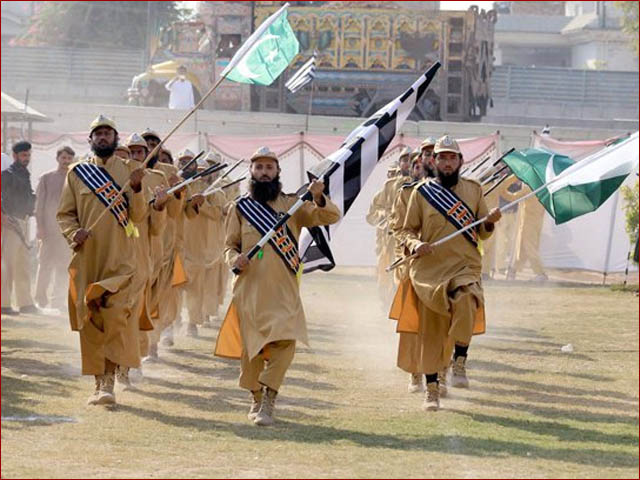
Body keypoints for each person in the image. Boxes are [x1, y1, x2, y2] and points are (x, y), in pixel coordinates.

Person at [215, 146, 340, 426]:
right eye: (258, 168)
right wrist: (235, 258)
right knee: (253, 348)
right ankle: (256, 396)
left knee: (286, 339)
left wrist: (319, 196)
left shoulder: (293, 204)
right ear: (251, 172)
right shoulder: (239, 207)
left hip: (284, 287)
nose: (263, 173)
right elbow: (228, 246)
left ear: (277, 172)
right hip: (249, 287)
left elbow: (330, 217)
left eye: (269, 168)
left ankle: (270, 395)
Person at [398, 135, 502, 411]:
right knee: (431, 332)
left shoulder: (474, 190)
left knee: (468, 300)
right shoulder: (420, 193)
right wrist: (415, 243)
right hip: (429, 270)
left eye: (451, 157)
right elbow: (406, 230)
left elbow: (482, 231)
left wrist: (490, 222)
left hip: (464, 265)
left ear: (460, 161)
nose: (446, 162)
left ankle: (460, 358)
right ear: (434, 161)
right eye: (441, 157)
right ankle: (431, 390)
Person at [56, 115, 148, 405]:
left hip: (121, 259)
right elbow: (65, 214)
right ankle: (99, 382)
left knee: (115, 316)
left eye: (108, 133)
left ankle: (109, 380)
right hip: (88, 259)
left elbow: (139, 217)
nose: (104, 137)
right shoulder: (77, 172)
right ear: (91, 139)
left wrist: (136, 190)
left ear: (116, 137)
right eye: (99, 134)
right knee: (92, 318)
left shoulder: (132, 171)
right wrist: (73, 233)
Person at [389, 138, 435, 394]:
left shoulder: (456, 192)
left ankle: (440, 371)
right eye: (426, 155)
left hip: (446, 265)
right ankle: (416, 372)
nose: (430, 159)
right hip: (415, 266)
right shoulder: (407, 193)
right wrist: (413, 248)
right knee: (415, 325)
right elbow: (400, 230)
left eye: (434, 154)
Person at [34, 146, 75, 310]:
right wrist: (40, 227)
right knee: (44, 265)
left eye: (69, 158)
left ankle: (57, 300)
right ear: (58, 158)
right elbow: (39, 205)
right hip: (48, 229)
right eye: (63, 158)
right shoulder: (46, 178)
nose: (66, 161)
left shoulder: (74, 179)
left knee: (63, 266)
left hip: (66, 231)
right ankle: (40, 300)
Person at [1, 141, 38, 315]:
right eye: (24, 155)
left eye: (28, 155)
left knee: (22, 264)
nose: (27, 158)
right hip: (11, 222)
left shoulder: (25, 174)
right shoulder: (6, 174)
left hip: (23, 221)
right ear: (15, 156)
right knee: (7, 264)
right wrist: (3, 216)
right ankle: (4, 303)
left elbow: (28, 196)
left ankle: (25, 303)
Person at [504, 182, 548, 282]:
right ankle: (512, 270)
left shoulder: (528, 189)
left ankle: (540, 273)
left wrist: (505, 184)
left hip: (528, 223)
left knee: (529, 248)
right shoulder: (543, 189)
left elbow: (510, 197)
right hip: (535, 222)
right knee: (522, 248)